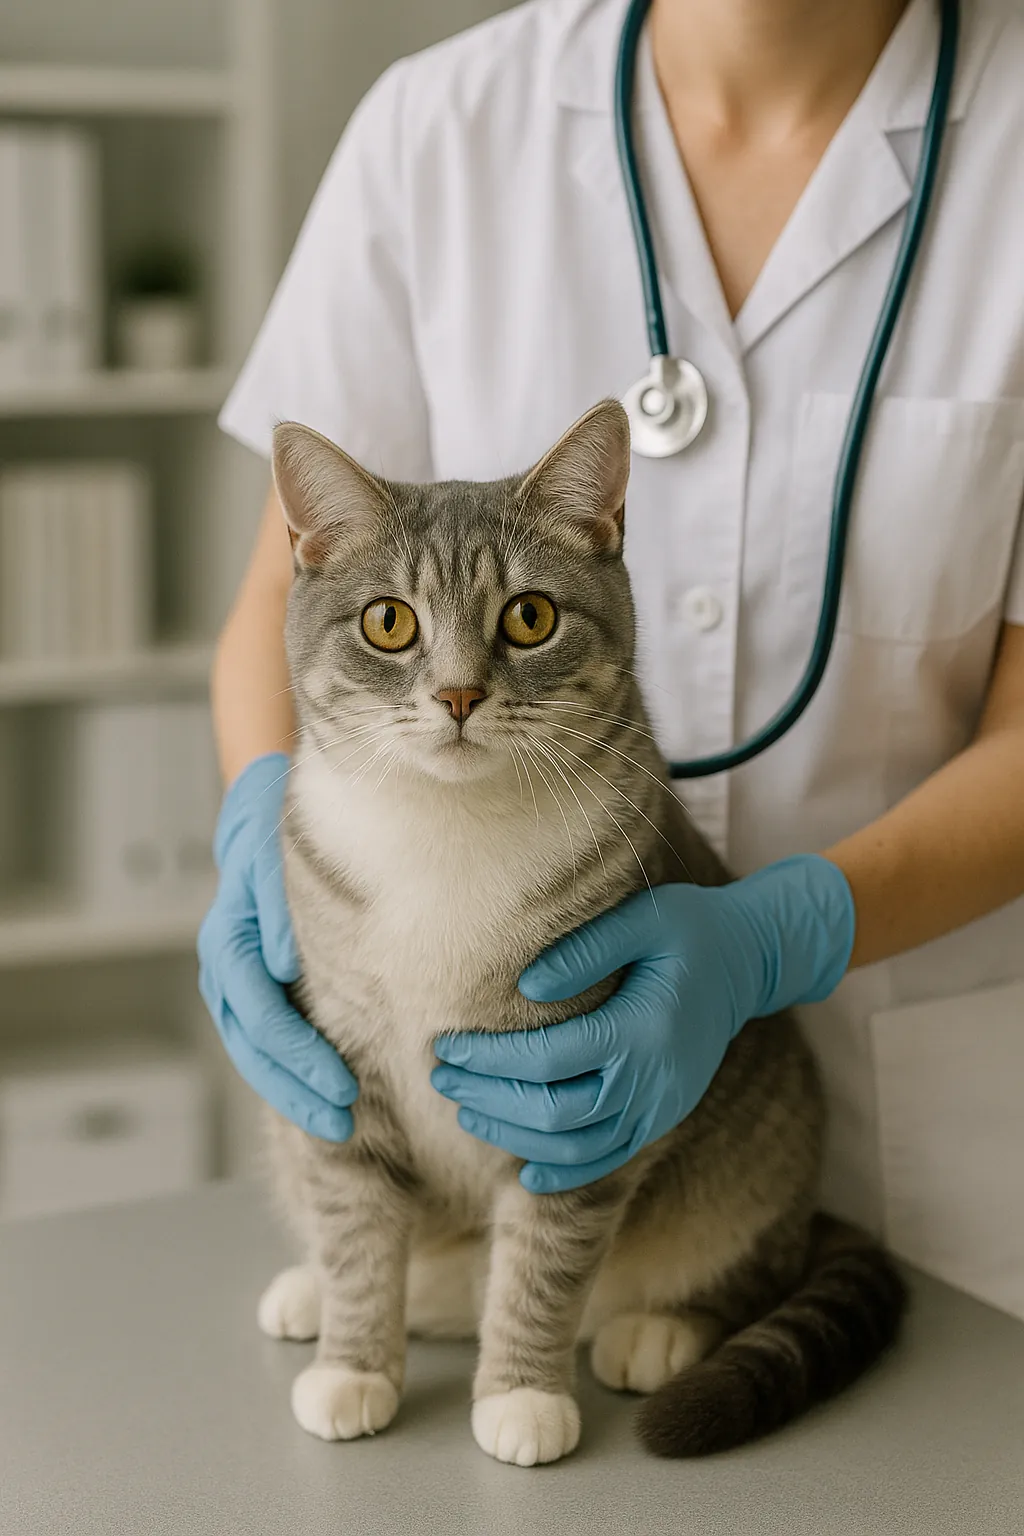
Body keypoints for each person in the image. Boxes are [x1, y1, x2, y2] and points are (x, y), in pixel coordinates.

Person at [199, 0, 1024, 1319]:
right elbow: (288, 592)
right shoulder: (440, 127)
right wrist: (262, 840)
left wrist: (781, 940)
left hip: (948, 1131)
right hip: (483, 1172)